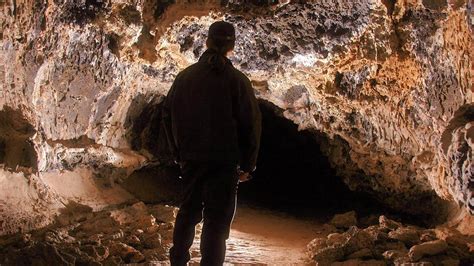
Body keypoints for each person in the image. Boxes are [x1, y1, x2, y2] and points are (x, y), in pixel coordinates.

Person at [161, 21, 262, 265]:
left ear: (207, 41)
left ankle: (178, 261)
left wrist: (177, 151)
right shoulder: (237, 80)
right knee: (216, 222)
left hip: (191, 158)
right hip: (224, 161)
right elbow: (251, 123)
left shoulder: (185, 77)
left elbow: (167, 114)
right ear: (232, 46)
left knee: (187, 212)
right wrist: (248, 164)